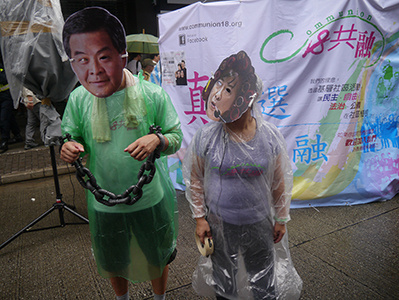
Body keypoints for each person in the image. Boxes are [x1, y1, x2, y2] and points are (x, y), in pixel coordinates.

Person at [60, 7, 182, 300]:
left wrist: (157, 140)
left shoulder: (152, 95)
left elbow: (175, 137)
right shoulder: (78, 100)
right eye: (82, 59)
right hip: (104, 203)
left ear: (122, 57)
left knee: (157, 255)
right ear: (73, 64)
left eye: (104, 57)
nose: (95, 70)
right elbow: (71, 136)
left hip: (149, 197)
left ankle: (159, 298)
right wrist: (69, 147)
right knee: (112, 258)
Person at [183, 51, 301, 299]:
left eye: (229, 90)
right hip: (219, 224)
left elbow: (280, 181)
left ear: (248, 97)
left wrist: (281, 218)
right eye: (219, 86)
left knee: (263, 283)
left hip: (258, 223)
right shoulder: (207, 136)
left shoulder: (269, 136)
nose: (218, 95)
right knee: (224, 283)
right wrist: (200, 219)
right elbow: (195, 179)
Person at [0, 53, 23, 153]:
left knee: (3, 119)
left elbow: (4, 79)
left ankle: (4, 141)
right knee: (9, 117)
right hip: (2, 97)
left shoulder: (2, 67)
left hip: (6, 96)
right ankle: (17, 135)